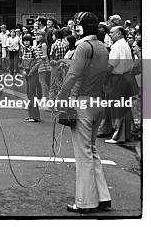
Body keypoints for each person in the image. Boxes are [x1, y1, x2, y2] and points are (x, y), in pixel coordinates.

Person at [57, 12, 111, 213]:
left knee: (83, 154)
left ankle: (86, 202)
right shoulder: (102, 47)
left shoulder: (83, 47)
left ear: (79, 28)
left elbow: (73, 75)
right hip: (98, 101)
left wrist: (60, 98)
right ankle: (103, 197)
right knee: (92, 150)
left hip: (83, 102)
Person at [103, 26, 133, 144]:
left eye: (112, 32)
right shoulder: (124, 44)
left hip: (117, 78)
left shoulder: (117, 46)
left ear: (119, 34)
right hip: (125, 76)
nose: (110, 34)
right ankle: (125, 134)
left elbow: (111, 64)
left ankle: (117, 136)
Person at [21, 34, 41, 122]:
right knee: (29, 94)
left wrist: (31, 71)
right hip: (27, 73)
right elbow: (23, 61)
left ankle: (35, 116)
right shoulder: (24, 50)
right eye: (24, 41)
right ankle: (31, 115)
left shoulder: (34, 49)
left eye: (27, 40)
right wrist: (24, 70)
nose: (26, 42)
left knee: (32, 94)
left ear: (30, 41)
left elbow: (39, 61)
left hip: (33, 74)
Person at [49, 28, 69, 103]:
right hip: (64, 65)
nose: (52, 37)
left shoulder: (54, 45)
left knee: (53, 85)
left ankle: (52, 103)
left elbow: (51, 55)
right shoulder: (65, 43)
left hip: (55, 65)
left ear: (56, 36)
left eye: (53, 35)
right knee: (63, 84)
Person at [33, 30, 51, 103]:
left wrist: (46, 64)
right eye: (36, 35)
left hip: (42, 64)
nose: (37, 36)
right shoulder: (39, 44)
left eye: (39, 35)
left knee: (43, 82)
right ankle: (45, 97)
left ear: (43, 36)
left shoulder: (43, 45)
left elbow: (45, 55)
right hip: (39, 64)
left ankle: (45, 98)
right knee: (41, 82)